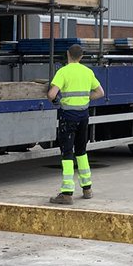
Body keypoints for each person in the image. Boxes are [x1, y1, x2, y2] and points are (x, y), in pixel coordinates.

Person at [47, 43, 104, 205]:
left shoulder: (63, 72)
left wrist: (54, 99)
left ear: (68, 54)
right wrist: (86, 98)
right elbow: (100, 93)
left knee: (67, 153)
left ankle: (66, 194)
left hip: (68, 117)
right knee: (81, 151)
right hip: (83, 116)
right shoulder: (87, 72)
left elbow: (51, 94)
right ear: (82, 57)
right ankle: (87, 188)